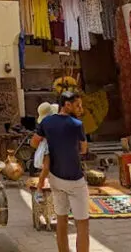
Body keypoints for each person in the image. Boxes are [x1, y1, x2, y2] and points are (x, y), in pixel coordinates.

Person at [33, 91, 89, 252]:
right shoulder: (77, 125)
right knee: (82, 223)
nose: (80, 109)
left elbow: (34, 142)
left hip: (56, 178)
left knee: (61, 219)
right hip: (75, 179)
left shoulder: (47, 122)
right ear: (67, 105)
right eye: (78, 105)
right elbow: (83, 149)